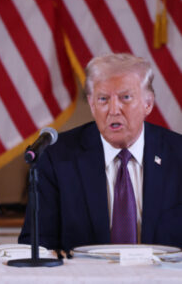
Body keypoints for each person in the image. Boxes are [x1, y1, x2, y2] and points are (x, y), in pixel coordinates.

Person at [19, 53, 182, 250]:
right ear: (92, 104)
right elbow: (36, 246)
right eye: (103, 99)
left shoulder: (177, 154)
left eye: (125, 98)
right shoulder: (57, 158)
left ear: (148, 104)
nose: (113, 110)